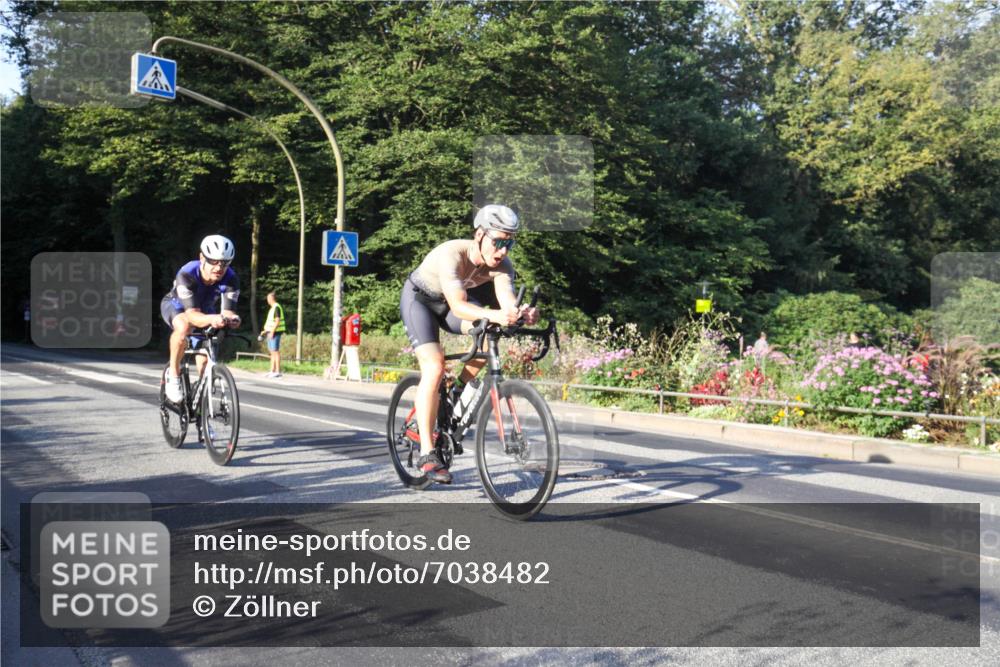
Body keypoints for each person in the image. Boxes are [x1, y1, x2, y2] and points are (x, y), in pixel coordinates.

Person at [399, 204, 539, 484]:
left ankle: (456, 392)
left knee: (489, 340)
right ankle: (427, 453)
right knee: (435, 366)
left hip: (453, 304)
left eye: (509, 242)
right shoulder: (452, 254)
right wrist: (496, 314)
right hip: (421, 302)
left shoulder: (503, 266)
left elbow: (507, 303)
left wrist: (521, 314)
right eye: (498, 241)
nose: (503, 251)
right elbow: (459, 306)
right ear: (479, 235)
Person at [160, 235, 241, 403]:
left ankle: (201, 401)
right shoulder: (188, 273)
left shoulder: (231, 278)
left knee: (205, 363)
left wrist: (232, 319)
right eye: (214, 261)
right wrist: (213, 318)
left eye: (225, 263)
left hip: (205, 311)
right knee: (183, 327)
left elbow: (227, 312)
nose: (219, 267)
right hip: (177, 306)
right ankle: (173, 374)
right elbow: (191, 315)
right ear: (202, 257)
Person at [263, 291, 285, 378]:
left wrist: (272, 331)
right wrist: (265, 331)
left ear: (272, 298)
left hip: (275, 332)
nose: (267, 300)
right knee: (272, 352)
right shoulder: (273, 308)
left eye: (268, 298)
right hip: (270, 332)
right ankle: (272, 371)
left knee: (275, 351)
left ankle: (278, 371)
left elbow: (277, 320)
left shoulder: (276, 307)